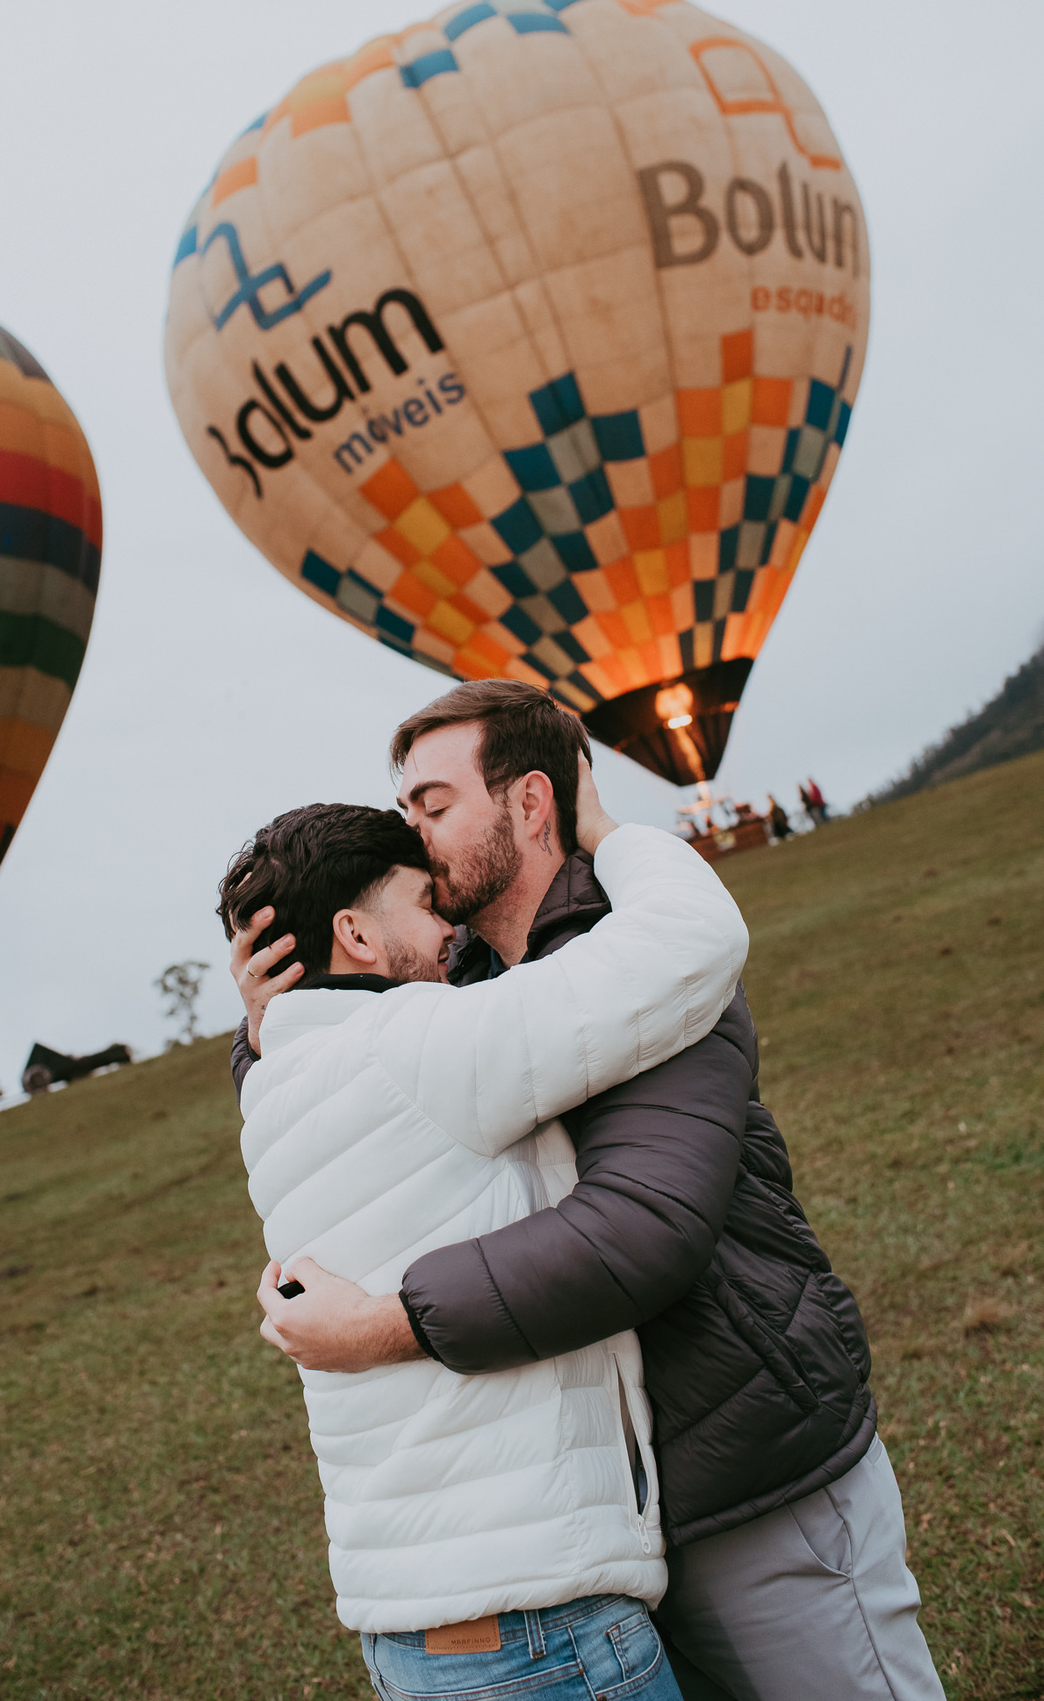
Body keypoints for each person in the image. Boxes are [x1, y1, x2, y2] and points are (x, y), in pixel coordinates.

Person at [237, 680, 946, 1701]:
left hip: (749, 1471)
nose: (411, 834)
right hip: (612, 1516)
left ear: (531, 804)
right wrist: (278, 1017)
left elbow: (640, 1229)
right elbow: (361, 1083)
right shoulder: (460, 986)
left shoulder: (646, 977)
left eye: (431, 806)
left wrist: (390, 1323)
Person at [221, 772, 750, 1697]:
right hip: (533, 1626)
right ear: (354, 934)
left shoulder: (269, 1087)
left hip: (413, 1633)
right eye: (424, 907)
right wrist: (608, 831)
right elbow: (690, 947)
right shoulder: (419, 1043)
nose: (450, 933)